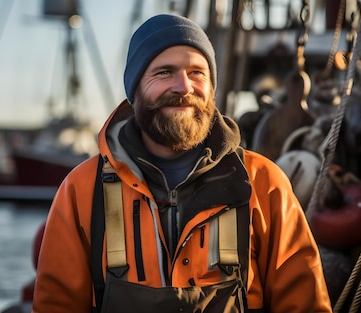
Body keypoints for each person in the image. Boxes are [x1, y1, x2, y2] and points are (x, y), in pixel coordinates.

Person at [33, 13, 332, 312]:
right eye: (164, 72)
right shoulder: (82, 190)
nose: (184, 87)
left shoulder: (264, 184)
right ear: (134, 90)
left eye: (197, 73)